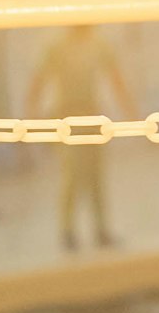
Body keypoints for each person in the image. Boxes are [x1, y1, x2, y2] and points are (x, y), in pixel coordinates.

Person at [23, 25, 136, 252]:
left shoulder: (99, 44)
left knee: (96, 174)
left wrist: (129, 110)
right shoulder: (55, 46)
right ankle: (67, 231)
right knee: (72, 174)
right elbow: (39, 79)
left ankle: (101, 228)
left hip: (91, 112)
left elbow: (115, 76)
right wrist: (32, 114)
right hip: (66, 113)